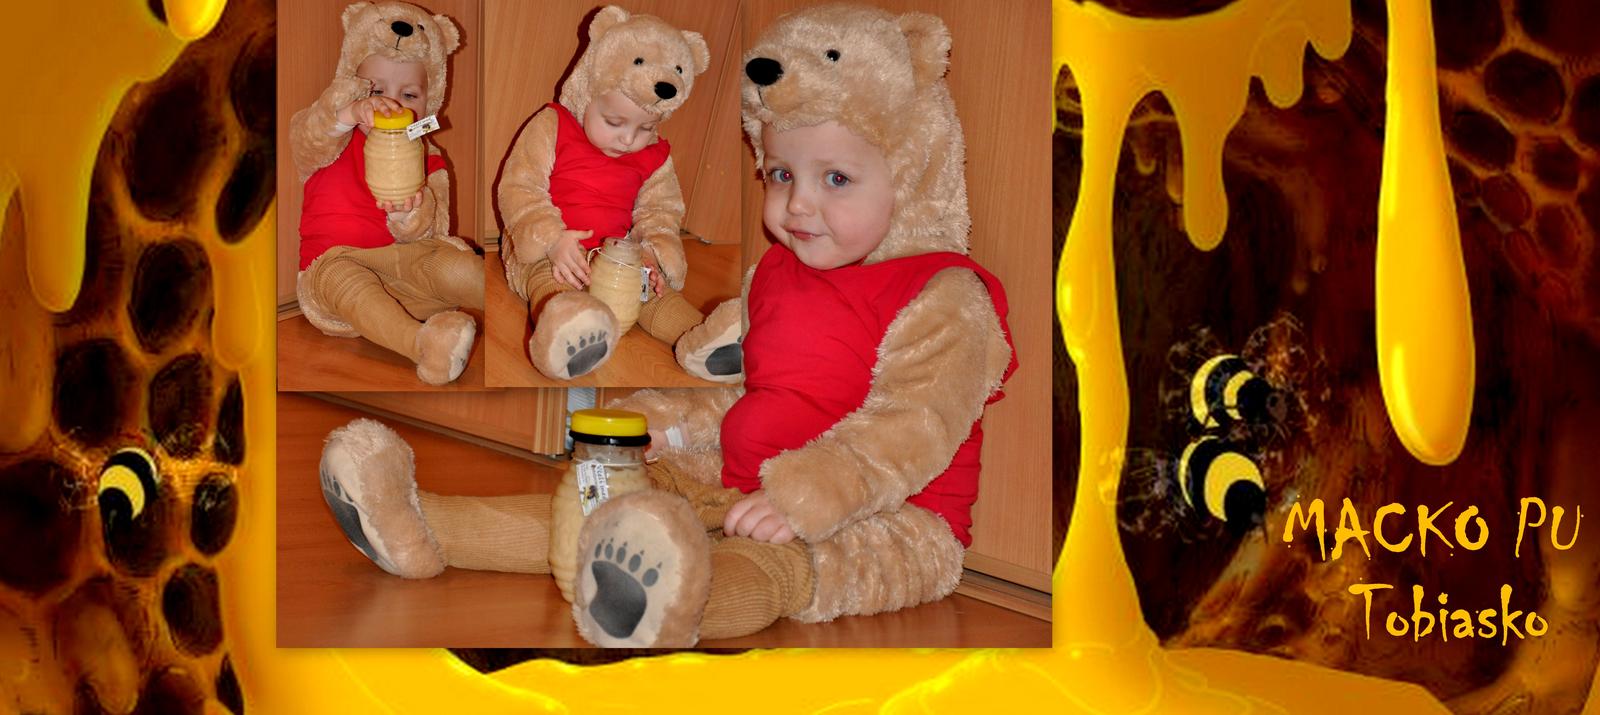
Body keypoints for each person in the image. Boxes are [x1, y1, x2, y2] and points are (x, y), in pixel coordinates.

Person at [497, 6, 741, 381]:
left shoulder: (654, 156)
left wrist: (651, 252)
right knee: (553, 284)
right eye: (613, 122)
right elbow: (519, 186)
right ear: (588, 92)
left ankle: (706, 342)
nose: (628, 139)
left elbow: (661, 211)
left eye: (645, 128)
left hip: (617, 258)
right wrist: (552, 239)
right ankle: (569, 333)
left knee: (654, 296)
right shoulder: (553, 125)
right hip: (555, 251)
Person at [291, 1, 482, 385]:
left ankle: (526, 301)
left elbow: (435, 225)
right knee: (349, 282)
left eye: (409, 96)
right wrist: (349, 113)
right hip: (333, 269)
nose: (390, 106)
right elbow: (306, 137)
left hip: (404, 273)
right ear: (353, 85)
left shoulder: (427, 155)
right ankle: (423, 346)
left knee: (454, 264)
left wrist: (409, 216)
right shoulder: (335, 137)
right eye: (376, 90)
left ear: (430, 99)